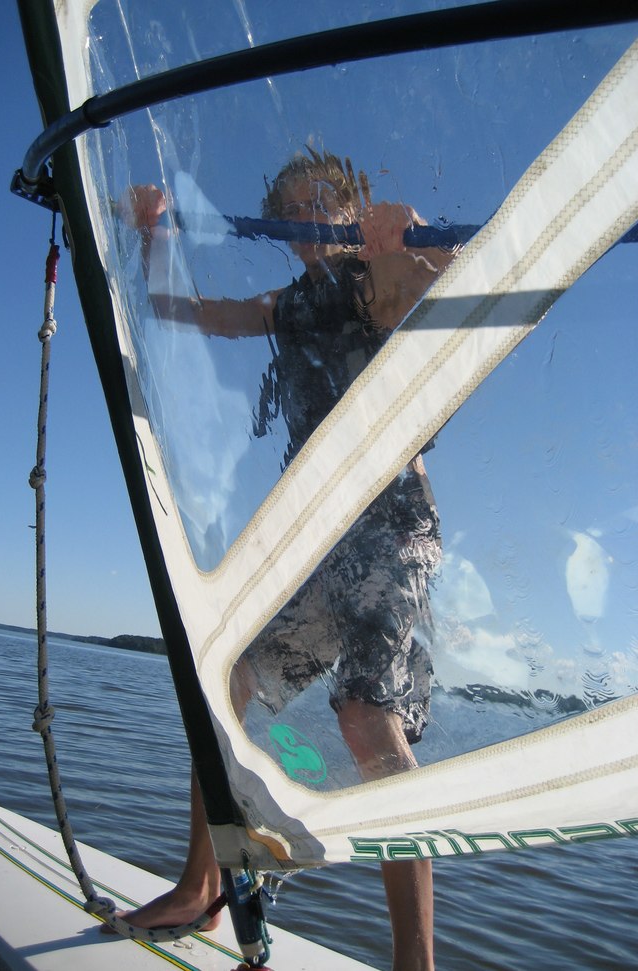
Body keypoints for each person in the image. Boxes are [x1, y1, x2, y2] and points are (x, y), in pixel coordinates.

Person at [112, 149, 456, 971]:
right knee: (222, 690)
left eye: (323, 201)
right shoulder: (289, 302)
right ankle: (203, 885)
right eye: (291, 208)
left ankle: (417, 961)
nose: (305, 217)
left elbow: (455, 274)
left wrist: (406, 235)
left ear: (351, 205)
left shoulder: (376, 280)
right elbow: (180, 310)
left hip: (395, 533)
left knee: (362, 715)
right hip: (321, 542)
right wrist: (154, 232)